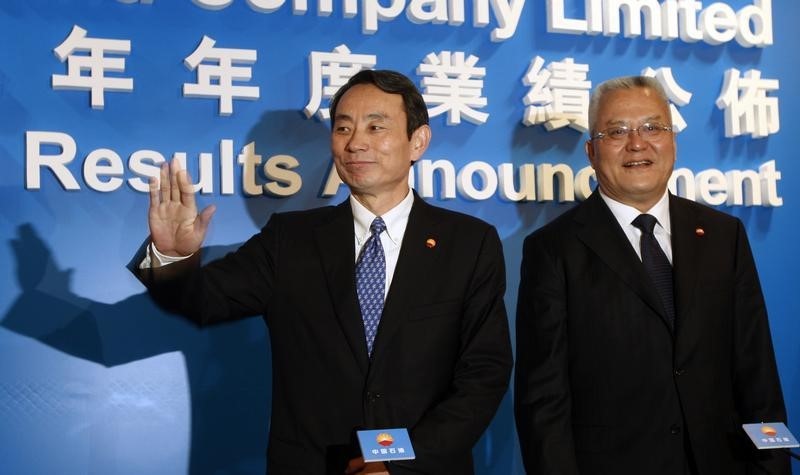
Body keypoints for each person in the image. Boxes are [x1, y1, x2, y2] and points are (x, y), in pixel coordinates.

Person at [133, 69, 512, 474]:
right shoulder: (290, 240)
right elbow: (200, 301)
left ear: (417, 141)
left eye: (375, 127)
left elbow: (484, 373)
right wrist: (171, 256)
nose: (356, 143)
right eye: (343, 128)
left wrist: (400, 462)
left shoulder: (468, 243)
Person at [513, 76, 788, 475]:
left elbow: (756, 371)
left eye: (652, 127)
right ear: (591, 151)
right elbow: (543, 400)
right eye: (616, 131)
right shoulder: (553, 249)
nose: (637, 143)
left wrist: (773, 467)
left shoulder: (722, 235)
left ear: (673, 141)